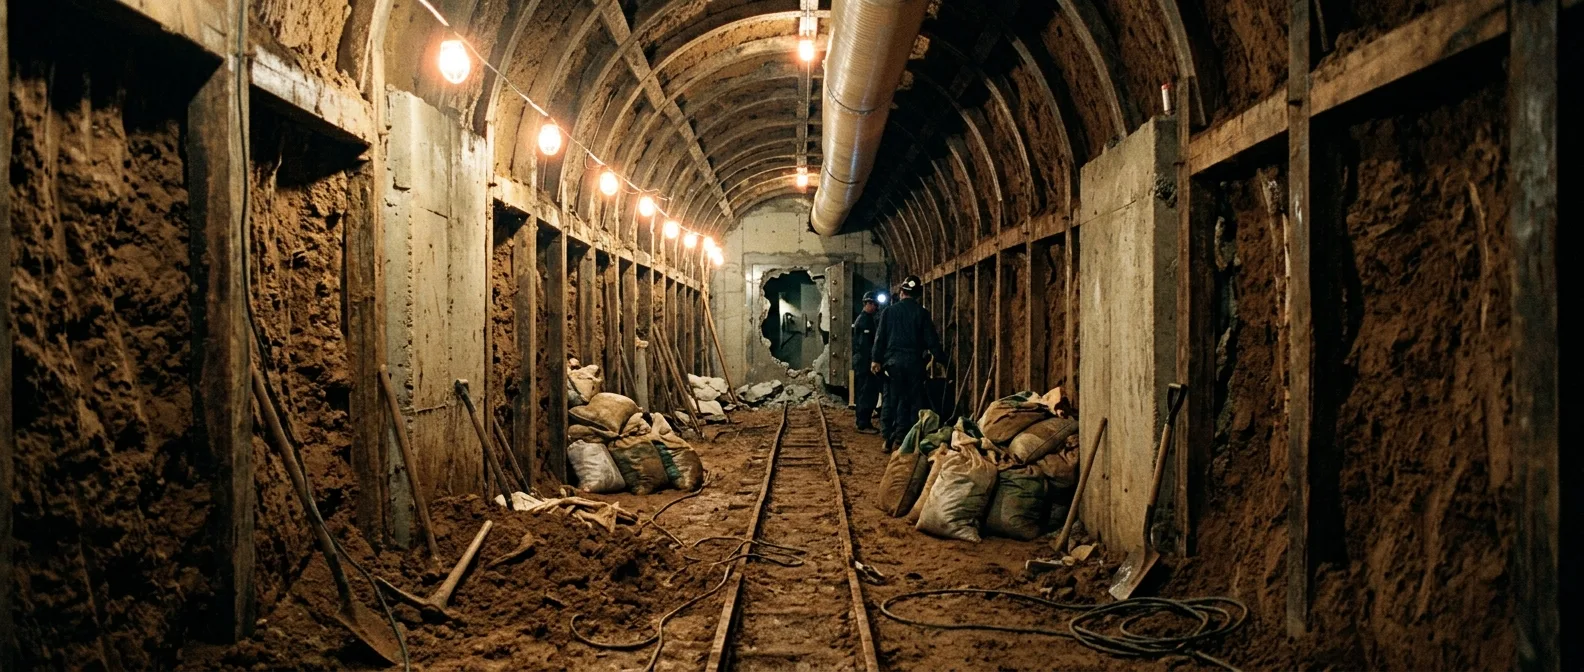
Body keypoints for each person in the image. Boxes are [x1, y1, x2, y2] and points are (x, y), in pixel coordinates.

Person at [871, 275, 944, 451]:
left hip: (893, 365)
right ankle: (907, 441)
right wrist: (943, 360)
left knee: (891, 400)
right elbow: (932, 341)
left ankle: (887, 439)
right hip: (914, 364)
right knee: (913, 402)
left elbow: (880, 338)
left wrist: (875, 359)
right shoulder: (922, 314)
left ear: (901, 292)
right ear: (918, 295)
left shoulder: (889, 312)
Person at [851, 291, 882, 434]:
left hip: (863, 362)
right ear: (868, 304)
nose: (876, 307)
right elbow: (865, 346)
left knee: (866, 392)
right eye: (874, 304)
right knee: (866, 393)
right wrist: (874, 360)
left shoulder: (866, 319)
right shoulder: (864, 321)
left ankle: (864, 421)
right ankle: (863, 424)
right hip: (864, 363)